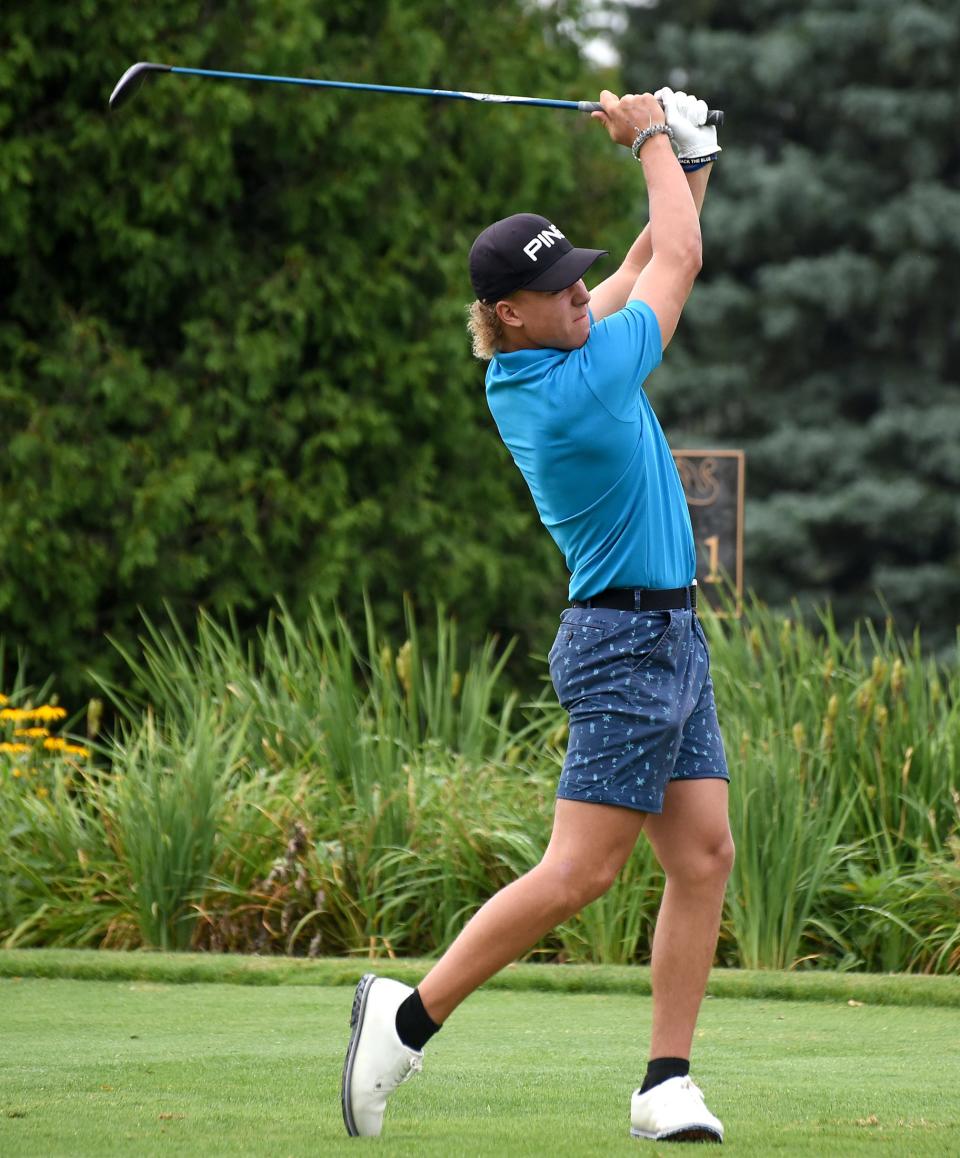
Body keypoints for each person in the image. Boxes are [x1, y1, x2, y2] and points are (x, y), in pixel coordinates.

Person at [341, 87, 733, 1145]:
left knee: (701, 856)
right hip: (622, 647)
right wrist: (649, 135)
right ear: (511, 312)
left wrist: (692, 148)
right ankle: (406, 1018)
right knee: (581, 873)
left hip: (668, 638)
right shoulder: (577, 387)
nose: (580, 296)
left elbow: (659, 241)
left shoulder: (549, 356)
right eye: (560, 290)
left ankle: (665, 1082)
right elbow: (679, 262)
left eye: (576, 282)